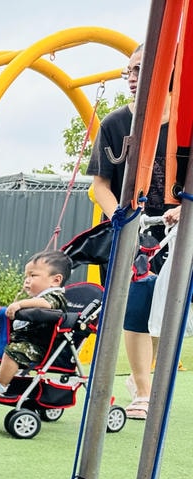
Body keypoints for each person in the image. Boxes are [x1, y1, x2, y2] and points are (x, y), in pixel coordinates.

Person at [87, 44, 185, 420]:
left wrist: (181, 210)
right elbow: (99, 186)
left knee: (168, 311)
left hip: (177, 228)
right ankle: (144, 390)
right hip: (133, 225)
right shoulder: (115, 124)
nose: (130, 79)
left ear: (168, 72)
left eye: (140, 70)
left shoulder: (184, 124)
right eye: (127, 71)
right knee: (138, 305)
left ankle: (144, 378)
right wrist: (122, 220)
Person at [0, 250, 73, 394]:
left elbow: (46, 304)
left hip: (40, 347)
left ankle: (0, 384)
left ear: (55, 280)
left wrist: (21, 304)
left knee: (13, 350)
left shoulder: (56, 296)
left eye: (33, 275)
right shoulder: (36, 299)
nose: (27, 280)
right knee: (2, 345)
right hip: (24, 341)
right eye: (26, 276)